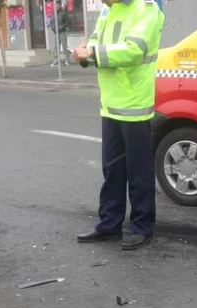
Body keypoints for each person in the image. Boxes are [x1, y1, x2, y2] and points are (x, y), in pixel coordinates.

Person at [72, 0, 165, 251]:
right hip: (110, 103)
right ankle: (109, 224)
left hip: (134, 104)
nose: (102, 1)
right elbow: (96, 41)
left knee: (138, 171)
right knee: (112, 169)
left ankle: (142, 227)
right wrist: (84, 53)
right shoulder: (108, 9)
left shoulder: (146, 9)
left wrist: (93, 53)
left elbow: (134, 50)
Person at [51, 1, 70, 67]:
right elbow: (52, 22)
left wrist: (61, 28)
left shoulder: (63, 13)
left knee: (64, 46)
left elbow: (67, 22)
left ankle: (67, 60)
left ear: (60, 5)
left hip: (62, 32)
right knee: (56, 47)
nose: (56, 6)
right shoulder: (53, 13)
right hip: (56, 32)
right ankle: (56, 60)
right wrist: (53, 28)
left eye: (57, 5)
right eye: (55, 5)